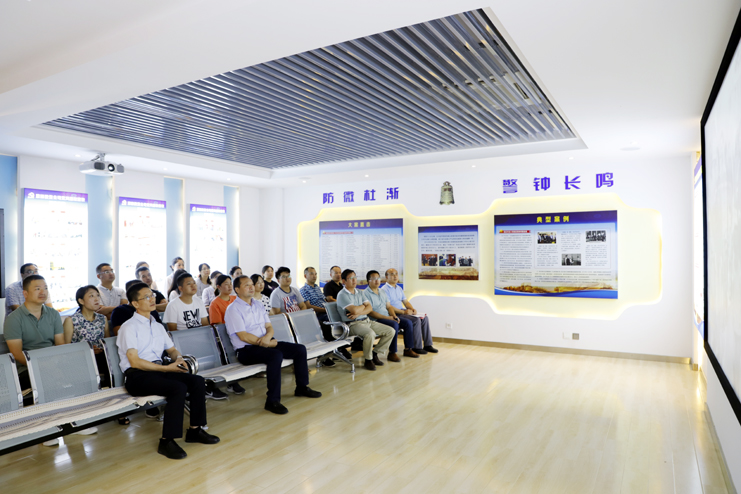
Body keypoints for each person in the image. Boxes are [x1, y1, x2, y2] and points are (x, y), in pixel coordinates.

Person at [117, 282, 219, 459]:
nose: (152, 299)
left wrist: (178, 359)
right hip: (137, 377)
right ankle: (166, 441)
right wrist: (166, 368)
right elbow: (134, 361)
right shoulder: (128, 327)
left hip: (159, 372)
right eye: (146, 297)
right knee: (177, 388)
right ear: (135, 303)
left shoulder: (157, 325)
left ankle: (195, 430)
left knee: (197, 381)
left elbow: (171, 350)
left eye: (152, 295)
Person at [5, 275, 96, 445]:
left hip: (52, 362)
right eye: (37, 288)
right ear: (25, 293)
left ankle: (75, 420)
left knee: (80, 372)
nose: (43, 292)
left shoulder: (53, 314)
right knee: (48, 379)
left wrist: (55, 363)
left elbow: (59, 345)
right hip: (25, 368)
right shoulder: (14, 319)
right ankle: (46, 428)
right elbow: (17, 354)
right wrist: (43, 366)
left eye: (45, 288)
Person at [224, 275, 321, 414]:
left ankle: (302, 387)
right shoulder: (233, 309)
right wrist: (268, 344)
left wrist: (268, 338)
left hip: (266, 342)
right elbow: (243, 336)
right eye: (247, 285)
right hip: (246, 350)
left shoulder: (258, 305)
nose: (251, 287)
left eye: (252, 284)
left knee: (299, 349)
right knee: (275, 355)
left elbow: (269, 327)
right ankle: (272, 401)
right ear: (237, 289)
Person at [336, 269, 395, 371]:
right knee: (370, 334)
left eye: (355, 277)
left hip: (366, 321)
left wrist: (359, 311)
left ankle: (374, 354)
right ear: (344, 281)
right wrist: (363, 306)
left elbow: (369, 308)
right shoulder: (342, 294)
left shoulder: (359, 292)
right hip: (352, 324)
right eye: (351, 278)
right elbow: (354, 310)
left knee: (390, 331)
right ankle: (368, 360)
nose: (354, 280)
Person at [381, 268, 438, 355]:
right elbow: (389, 306)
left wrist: (412, 309)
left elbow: (406, 302)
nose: (395, 276)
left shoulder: (398, 288)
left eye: (396, 274)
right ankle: (416, 347)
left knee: (424, 318)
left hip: (402, 311)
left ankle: (428, 345)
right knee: (416, 320)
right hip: (394, 313)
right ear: (386, 277)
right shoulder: (384, 290)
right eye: (392, 274)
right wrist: (404, 312)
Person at [63, 285, 111, 387]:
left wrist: (100, 349)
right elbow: (65, 348)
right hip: (79, 360)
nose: (96, 299)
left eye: (97, 295)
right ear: (81, 301)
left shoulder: (102, 319)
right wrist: (88, 350)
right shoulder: (71, 320)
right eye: (91, 296)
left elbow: (107, 343)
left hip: (101, 358)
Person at [363, 270, 417, 360]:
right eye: (374, 279)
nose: (377, 281)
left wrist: (394, 316)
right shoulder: (365, 293)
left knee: (408, 323)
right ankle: (392, 352)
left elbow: (389, 306)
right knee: (394, 324)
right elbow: (370, 312)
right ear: (368, 281)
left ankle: (408, 349)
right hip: (376, 319)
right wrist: (389, 318)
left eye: (378, 278)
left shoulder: (381, 291)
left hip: (387, 316)